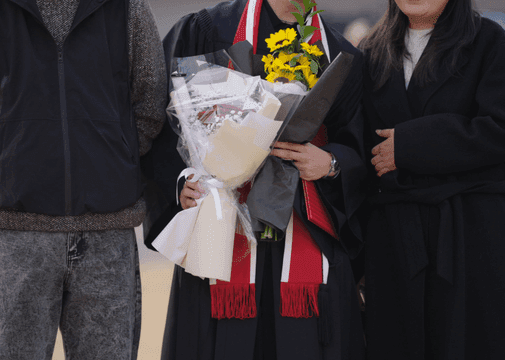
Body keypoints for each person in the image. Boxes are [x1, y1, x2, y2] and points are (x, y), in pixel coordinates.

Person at [0, 0, 166, 358]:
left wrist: (111, 160)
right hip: (17, 239)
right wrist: (1, 168)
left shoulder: (128, 9)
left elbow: (150, 103)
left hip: (106, 239)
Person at [153, 0, 367, 359]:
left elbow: (359, 147)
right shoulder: (207, 32)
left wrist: (331, 162)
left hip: (304, 231)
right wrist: (181, 182)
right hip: (220, 227)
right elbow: (158, 116)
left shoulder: (341, 57)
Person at [359, 0, 505, 358]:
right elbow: (359, 145)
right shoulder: (371, 52)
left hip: (474, 239)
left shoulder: (488, 43)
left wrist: (411, 145)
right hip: (395, 245)